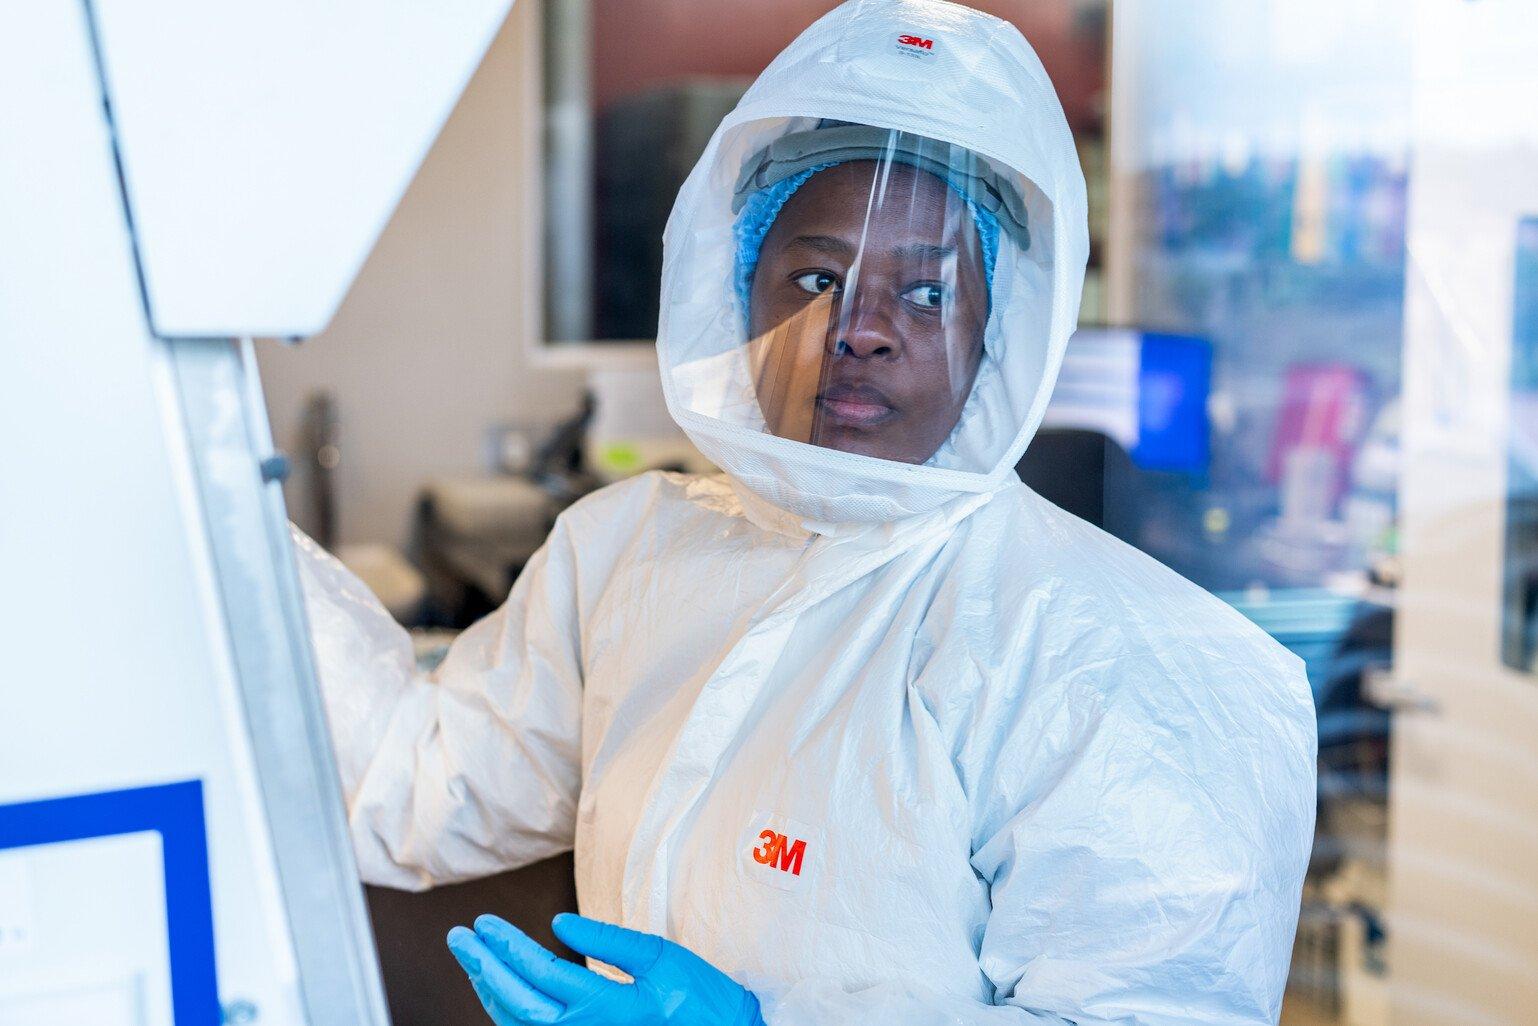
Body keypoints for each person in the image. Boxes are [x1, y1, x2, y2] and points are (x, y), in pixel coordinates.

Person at [293, 2, 1317, 1024]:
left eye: (923, 293)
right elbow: (413, 787)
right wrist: (204, 518)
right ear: (737, 292)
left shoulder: (1115, 659)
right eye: (817, 277)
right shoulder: (628, 554)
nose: (858, 329)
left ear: (996, 328)